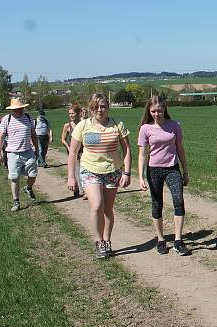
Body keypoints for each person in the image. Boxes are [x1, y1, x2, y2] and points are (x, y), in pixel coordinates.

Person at [67, 93, 131, 259]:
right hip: (90, 170)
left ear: (107, 107)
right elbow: (73, 152)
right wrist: (71, 177)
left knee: (108, 209)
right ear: (91, 108)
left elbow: (127, 150)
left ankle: (107, 240)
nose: (99, 110)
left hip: (112, 171)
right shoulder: (83, 126)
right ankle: (98, 241)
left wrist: (127, 172)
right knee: (97, 206)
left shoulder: (117, 124)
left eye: (102, 106)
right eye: (96, 107)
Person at [137, 96, 191, 256]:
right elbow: (142, 154)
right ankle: (161, 240)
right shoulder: (145, 129)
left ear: (164, 109)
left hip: (172, 168)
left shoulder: (174, 125)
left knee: (178, 201)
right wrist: (140, 176)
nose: (156, 114)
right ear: (149, 111)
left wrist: (185, 170)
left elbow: (180, 148)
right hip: (154, 170)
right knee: (157, 204)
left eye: (159, 110)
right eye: (153, 111)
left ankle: (178, 240)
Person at [0, 98, 39, 212]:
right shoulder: (6, 119)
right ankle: (16, 202)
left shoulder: (28, 117)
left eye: (21, 108)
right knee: (14, 178)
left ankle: (28, 188)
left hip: (28, 151)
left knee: (33, 173)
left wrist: (37, 148)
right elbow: (0, 137)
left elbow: (33, 134)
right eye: (17, 109)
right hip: (12, 153)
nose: (20, 110)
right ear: (12, 110)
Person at [61, 104, 84, 198]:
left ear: (78, 113)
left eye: (73, 113)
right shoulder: (67, 126)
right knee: (76, 170)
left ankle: (85, 190)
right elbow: (63, 139)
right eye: (69, 113)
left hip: (83, 151)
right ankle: (78, 189)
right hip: (73, 152)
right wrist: (69, 148)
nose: (71, 115)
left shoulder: (83, 124)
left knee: (84, 170)